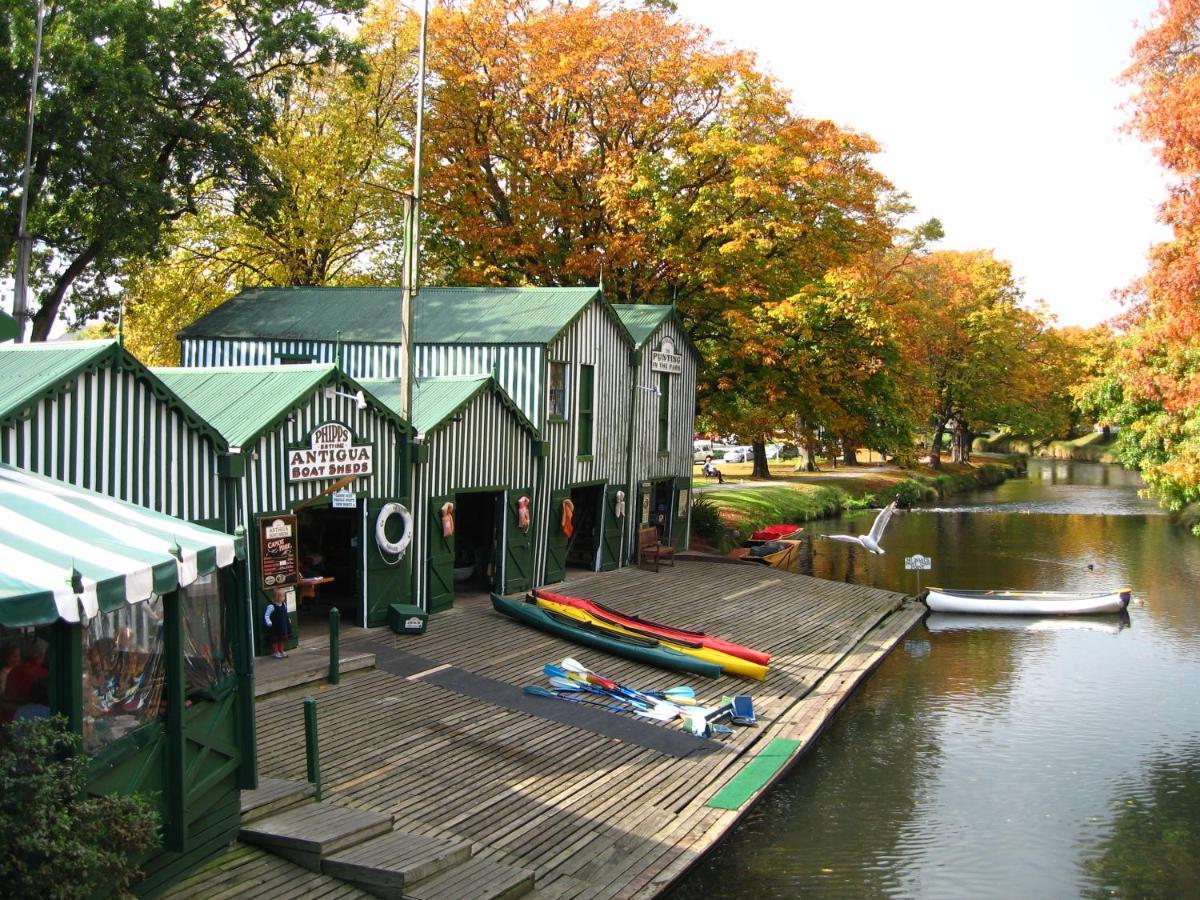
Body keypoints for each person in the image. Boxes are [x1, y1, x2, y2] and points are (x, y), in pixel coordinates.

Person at [264, 590, 292, 659]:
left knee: (281, 639)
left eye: (283, 596)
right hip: (275, 626)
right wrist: (269, 622)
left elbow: (285, 613)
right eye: (282, 597)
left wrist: (288, 619)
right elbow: (266, 615)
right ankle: (276, 652)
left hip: (282, 625)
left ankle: (281, 650)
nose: (283, 598)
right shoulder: (271, 606)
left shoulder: (284, 605)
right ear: (276, 598)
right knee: (275, 640)